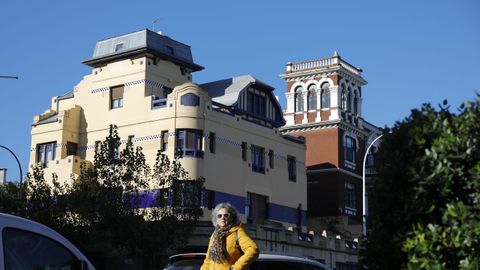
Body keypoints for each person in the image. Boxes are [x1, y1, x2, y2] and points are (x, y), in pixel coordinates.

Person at [201, 202, 259, 270]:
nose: (223, 218)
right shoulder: (215, 235)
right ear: (216, 219)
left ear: (232, 217)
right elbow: (208, 260)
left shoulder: (238, 232)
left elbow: (253, 249)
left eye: (226, 215)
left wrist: (236, 267)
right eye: (219, 216)